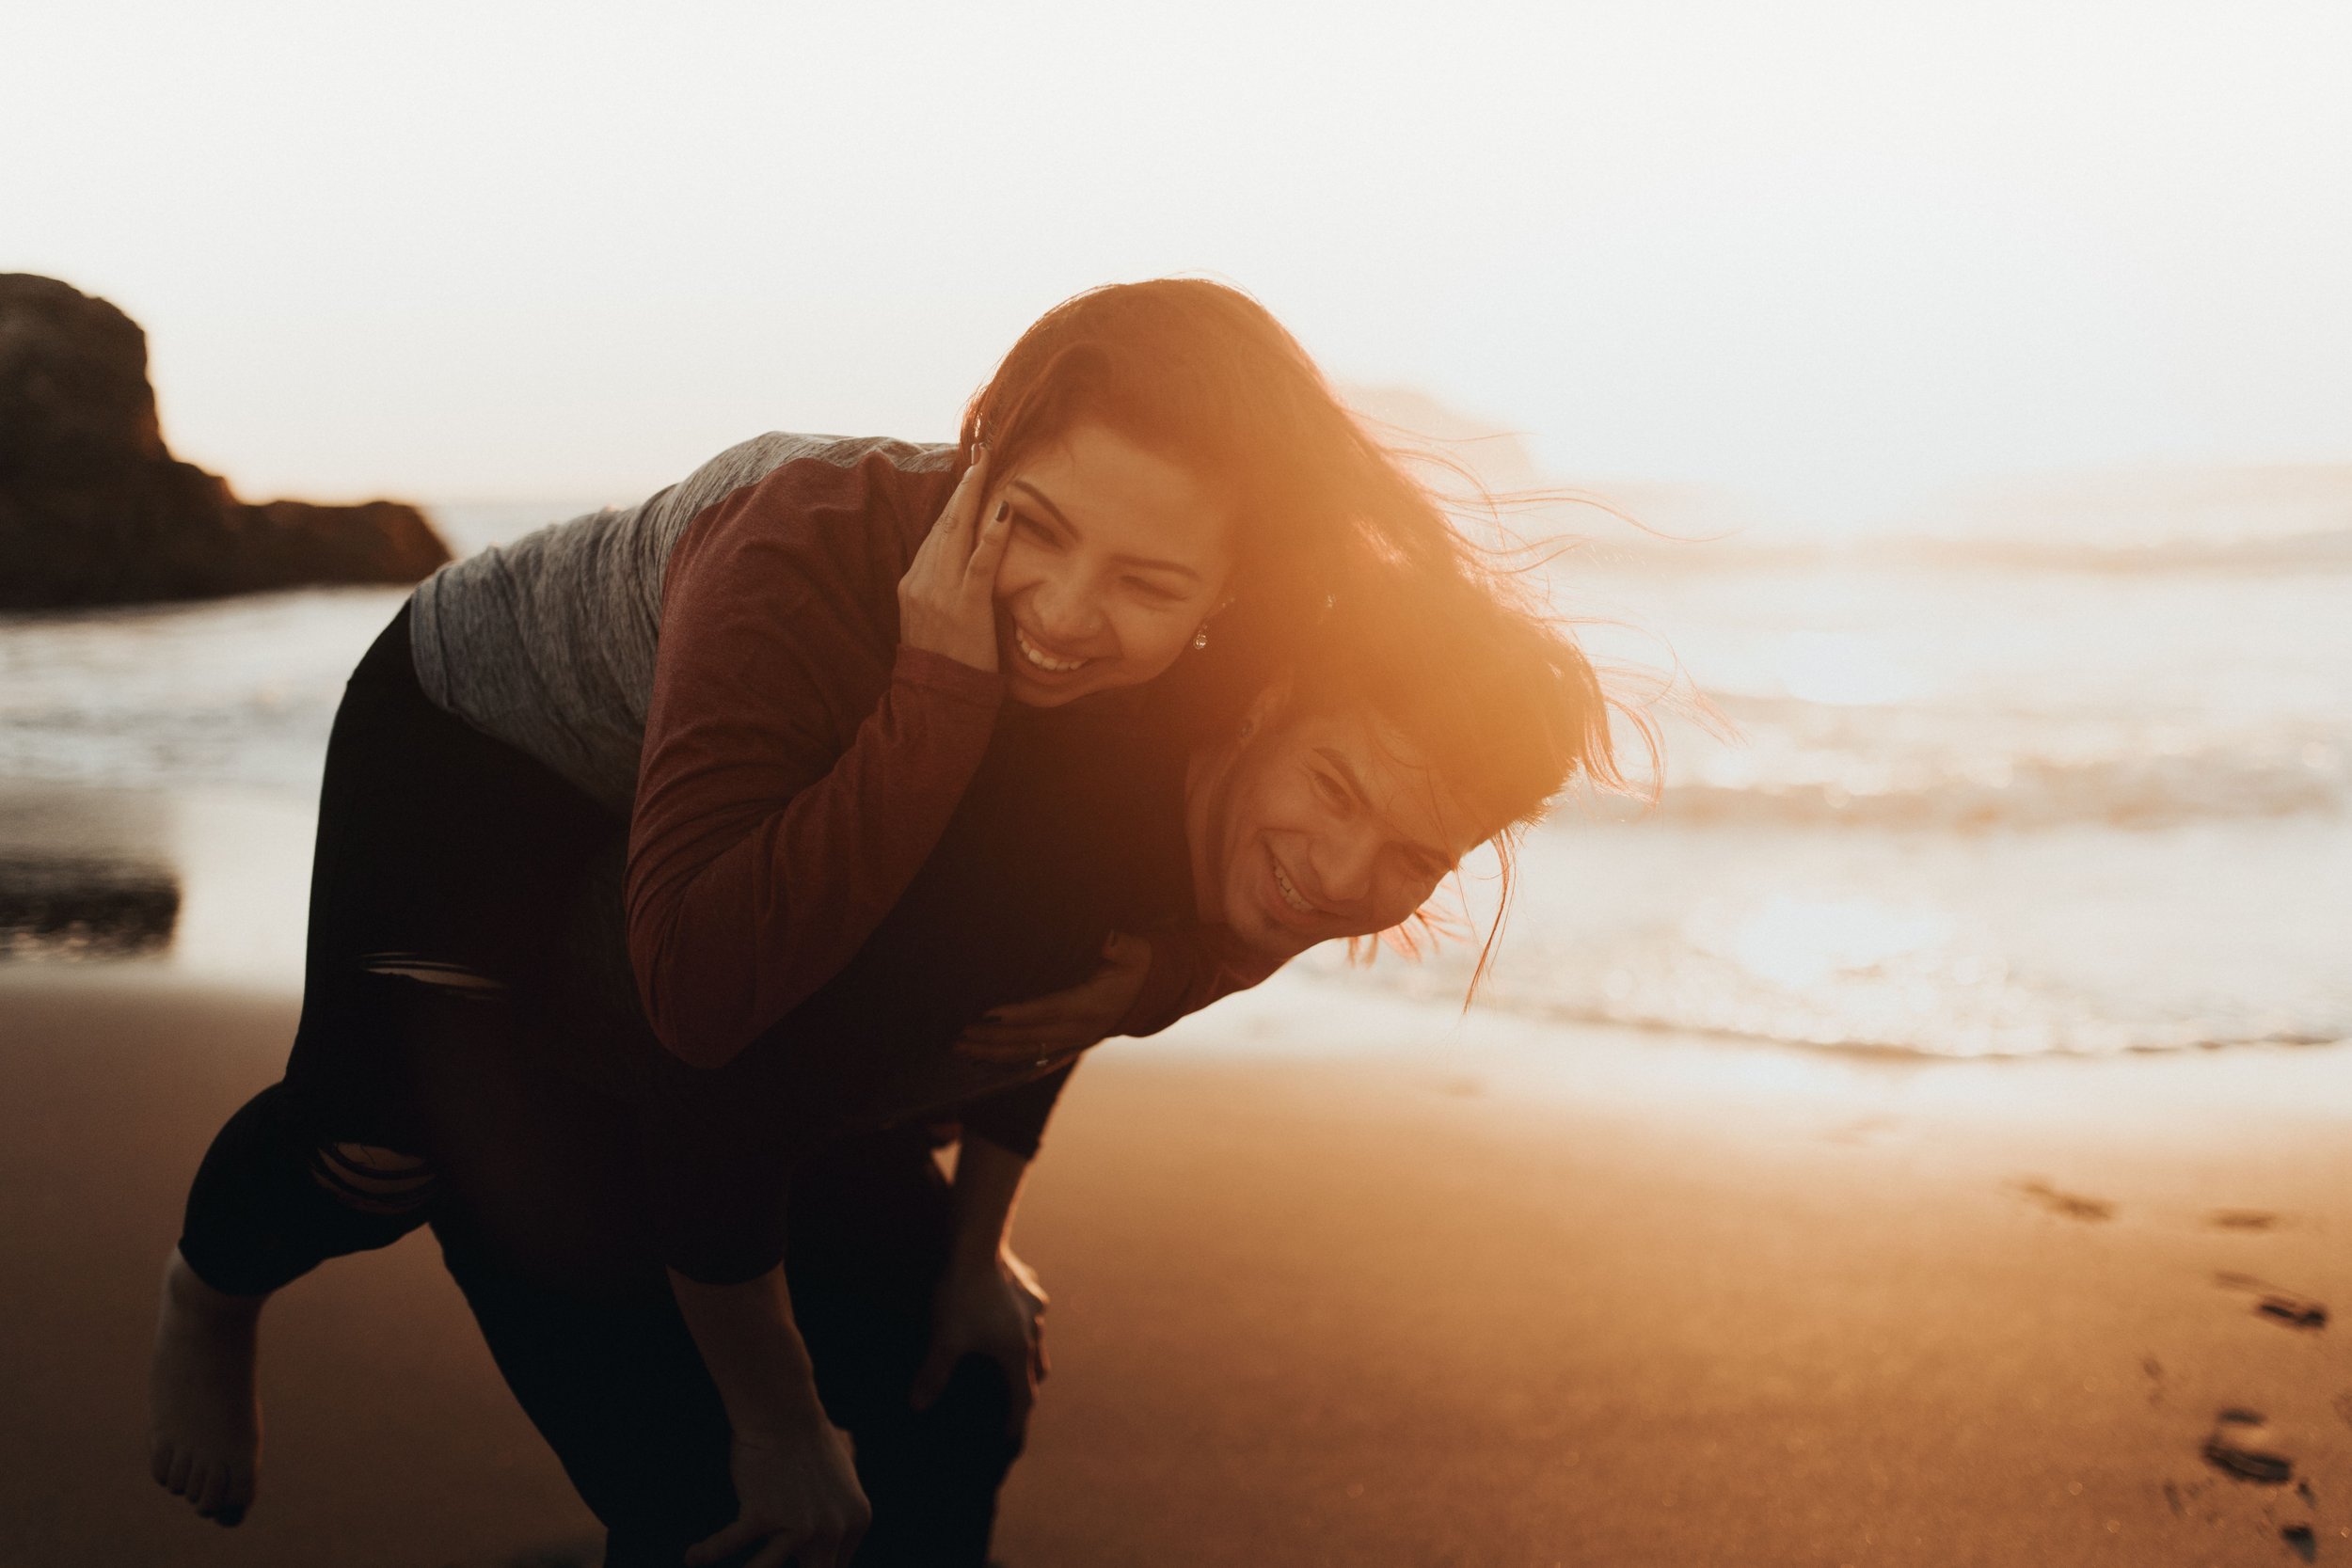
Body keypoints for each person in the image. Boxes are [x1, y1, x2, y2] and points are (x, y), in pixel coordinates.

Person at [144, 277, 1619, 1551]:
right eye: (1033, 528)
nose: (1060, 607)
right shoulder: (812, 552)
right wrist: (939, 682)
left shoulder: (1215, 729)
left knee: (908, 1278)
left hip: (717, 853)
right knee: (378, 1122)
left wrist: (984, 1237)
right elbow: (706, 1011)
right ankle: (210, 1292)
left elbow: (1069, 971)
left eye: (1149, 580)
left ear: (1226, 606)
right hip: (487, 734)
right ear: (985, 448)